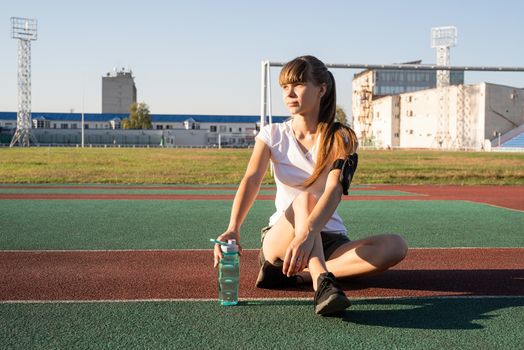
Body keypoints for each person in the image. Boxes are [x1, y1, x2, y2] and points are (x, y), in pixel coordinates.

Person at [213, 55, 408, 316]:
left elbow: (334, 190)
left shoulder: (341, 137)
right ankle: (322, 284)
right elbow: (251, 179)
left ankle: (301, 275)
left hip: (330, 239)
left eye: (299, 84)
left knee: (396, 246)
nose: (289, 93)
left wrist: (309, 234)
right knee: (305, 199)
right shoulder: (273, 134)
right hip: (283, 238)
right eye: (284, 87)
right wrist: (233, 228)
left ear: (322, 89)